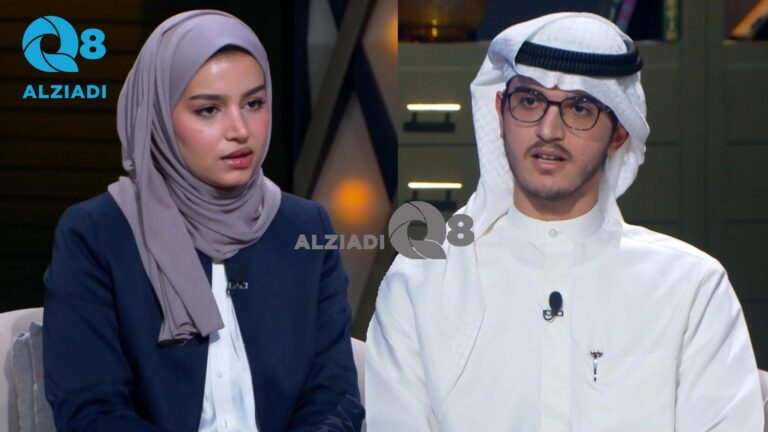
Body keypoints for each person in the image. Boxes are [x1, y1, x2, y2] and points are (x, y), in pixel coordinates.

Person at [365, 12, 763, 432]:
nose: (548, 130)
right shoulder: (422, 281)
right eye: (529, 101)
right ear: (499, 113)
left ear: (619, 135)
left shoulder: (690, 287)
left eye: (579, 107)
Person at [43, 10, 363, 432]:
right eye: (209, 110)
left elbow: (334, 396)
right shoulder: (96, 234)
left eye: (254, 103)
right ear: (158, 115)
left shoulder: (305, 227)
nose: (240, 130)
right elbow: (92, 411)